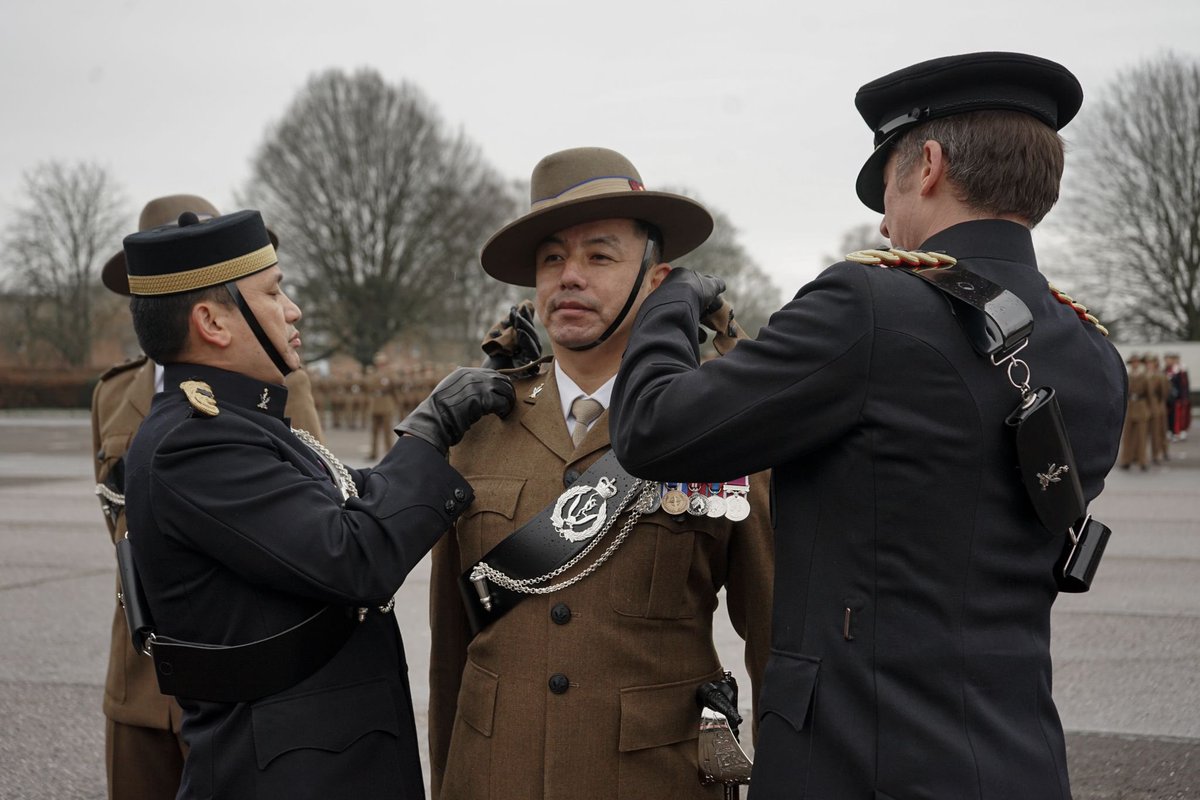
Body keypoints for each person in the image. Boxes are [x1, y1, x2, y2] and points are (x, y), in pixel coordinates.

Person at [609, 53, 1127, 799]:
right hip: (1019, 760)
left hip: (859, 763)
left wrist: (669, 302)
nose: (884, 221)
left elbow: (653, 429)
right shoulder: (1093, 353)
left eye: (887, 184)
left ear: (930, 167)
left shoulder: (872, 305)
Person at [119, 208, 513, 799]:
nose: (293, 309)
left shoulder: (244, 424)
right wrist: (434, 424)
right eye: (274, 292)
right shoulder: (196, 441)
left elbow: (359, 497)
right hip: (285, 774)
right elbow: (355, 555)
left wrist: (483, 382)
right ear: (212, 321)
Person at [428, 147, 774, 799]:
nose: (569, 277)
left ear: (656, 280)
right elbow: (453, 647)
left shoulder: (722, 430)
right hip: (495, 777)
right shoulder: (477, 427)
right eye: (552, 259)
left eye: (599, 255)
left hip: (654, 781)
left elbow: (774, 641)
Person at [90, 194, 325, 800]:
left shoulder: (280, 383)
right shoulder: (113, 393)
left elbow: (317, 498)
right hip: (138, 673)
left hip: (234, 666)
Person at [1119, 353, 1152, 471]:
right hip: (1130, 406)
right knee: (1127, 437)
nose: (1135, 364)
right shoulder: (1128, 376)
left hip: (1142, 406)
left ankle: (1142, 461)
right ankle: (1126, 460)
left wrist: (1150, 410)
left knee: (1142, 436)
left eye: (1137, 362)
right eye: (1133, 362)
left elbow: (1150, 394)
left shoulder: (1144, 377)